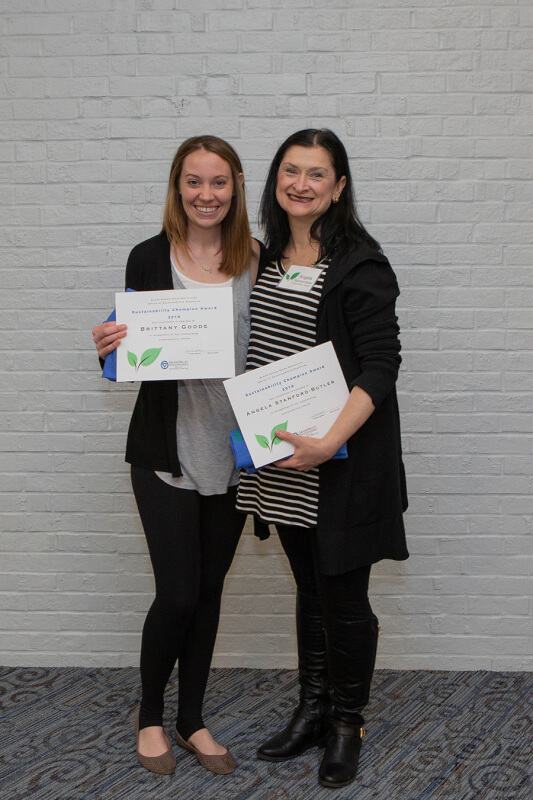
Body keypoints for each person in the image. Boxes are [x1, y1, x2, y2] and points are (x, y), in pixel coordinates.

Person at [236, 129, 408, 789]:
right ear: (276, 180)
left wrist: (326, 441)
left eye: (316, 174)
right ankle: (311, 708)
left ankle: (346, 722)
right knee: (308, 588)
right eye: (290, 171)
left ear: (338, 187)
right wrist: (125, 343)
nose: (300, 184)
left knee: (343, 597)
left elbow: (381, 367)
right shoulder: (265, 258)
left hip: (339, 466)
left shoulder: (360, 263)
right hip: (283, 463)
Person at [92, 136, 259, 776]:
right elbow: (130, 354)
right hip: (165, 450)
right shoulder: (147, 257)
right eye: (194, 182)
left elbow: (272, 349)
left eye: (218, 182)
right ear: (177, 186)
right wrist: (108, 348)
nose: (206, 195)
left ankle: (192, 718)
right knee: (178, 594)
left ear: (237, 187)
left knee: (210, 592)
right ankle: (152, 716)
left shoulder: (258, 260)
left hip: (234, 454)